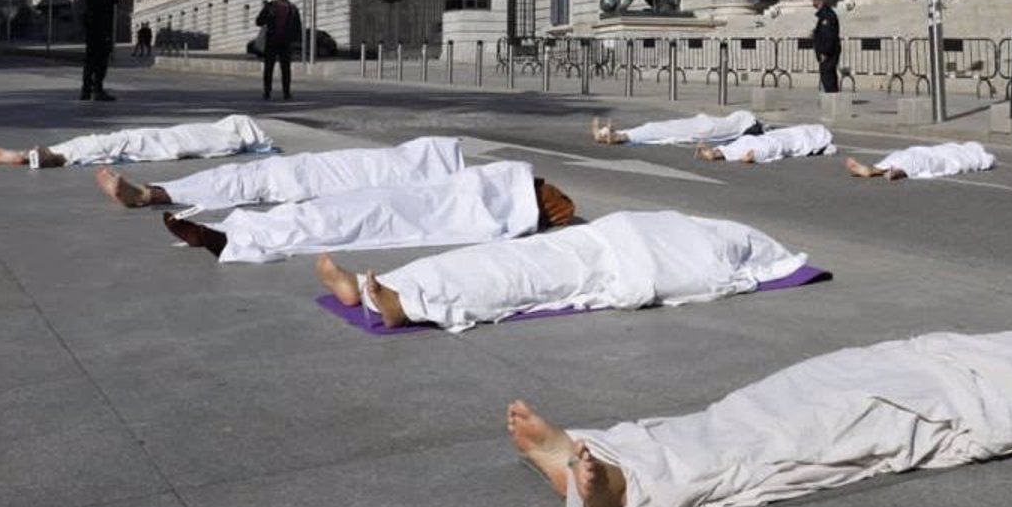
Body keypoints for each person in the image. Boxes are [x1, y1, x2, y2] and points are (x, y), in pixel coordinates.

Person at [506, 287, 1012, 507]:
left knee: (802, 433)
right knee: (775, 402)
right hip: (923, 362)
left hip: (941, 391)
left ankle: (621, 480)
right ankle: (614, 456)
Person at [317, 209, 807, 331]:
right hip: (603, 237)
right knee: (503, 257)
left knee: (522, 277)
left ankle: (406, 302)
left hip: (610, 258)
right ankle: (372, 286)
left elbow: (697, 275)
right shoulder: (702, 226)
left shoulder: (725, 250)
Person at [159, 161, 575, 263]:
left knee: (338, 219)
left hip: (420, 208)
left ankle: (233, 237)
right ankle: (234, 232)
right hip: (419, 199)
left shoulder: (513, 195)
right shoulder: (512, 182)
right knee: (331, 213)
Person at [94, 135, 464, 209]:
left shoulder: (429, 179)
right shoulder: (421, 158)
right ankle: (153, 191)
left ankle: (150, 194)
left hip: (319, 179)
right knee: (250, 176)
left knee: (253, 181)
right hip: (325, 168)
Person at [0, 114, 272, 168]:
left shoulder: (228, 138)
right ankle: (44, 154)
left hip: (166, 141)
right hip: (167, 140)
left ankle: (42, 155)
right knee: (111, 143)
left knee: (111, 143)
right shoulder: (226, 135)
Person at [78, 0, 124, 101]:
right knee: (101, 58)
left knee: (90, 58)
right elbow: (102, 4)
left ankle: (86, 90)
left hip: (90, 23)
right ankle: (97, 89)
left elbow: (88, 1)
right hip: (100, 25)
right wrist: (113, 1)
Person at [591, 110, 763, 146]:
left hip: (707, 128)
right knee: (661, 127)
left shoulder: (741, 124)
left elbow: (730, 128)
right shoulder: (744, 119)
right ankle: (616, 134)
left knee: (662, 130)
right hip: (704, 123)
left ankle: (619, 136)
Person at [844, 140, 994, 181]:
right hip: (937, 153)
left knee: (916, 157)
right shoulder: (956, 148)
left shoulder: (970, 154)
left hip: (942, 157)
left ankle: (878, 169)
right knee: (912, 154)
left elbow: (980, 160)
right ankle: (881, 170)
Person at [695, 123, 833, 164]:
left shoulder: (807, 131)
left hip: (773, 136)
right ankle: (754, 155)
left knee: (744, 143)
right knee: (775, 145)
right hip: (785, 138)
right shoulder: (811, 135)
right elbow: (812, 147)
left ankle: (716, 153)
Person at [256, 0, 302, 101]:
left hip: (272, 42)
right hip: (286, 43)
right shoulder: (293, 8)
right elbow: (298, 28)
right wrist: (296, 43)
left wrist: (266, 16)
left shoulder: (270, 6)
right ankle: (286, 93)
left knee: (269, 68)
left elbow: (258, 22)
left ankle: (267, 92)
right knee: (285, 69)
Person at [811, 0, 841, 94]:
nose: (813, 2)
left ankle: (832, 103)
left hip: (828, 53)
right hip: (828, 52)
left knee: (828, 79)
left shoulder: (826, 15)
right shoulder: (824, 14)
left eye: (814, 0)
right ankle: (832, 102)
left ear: (819, 1)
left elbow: (828, 35)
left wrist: (825, 52)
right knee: (827, 78)